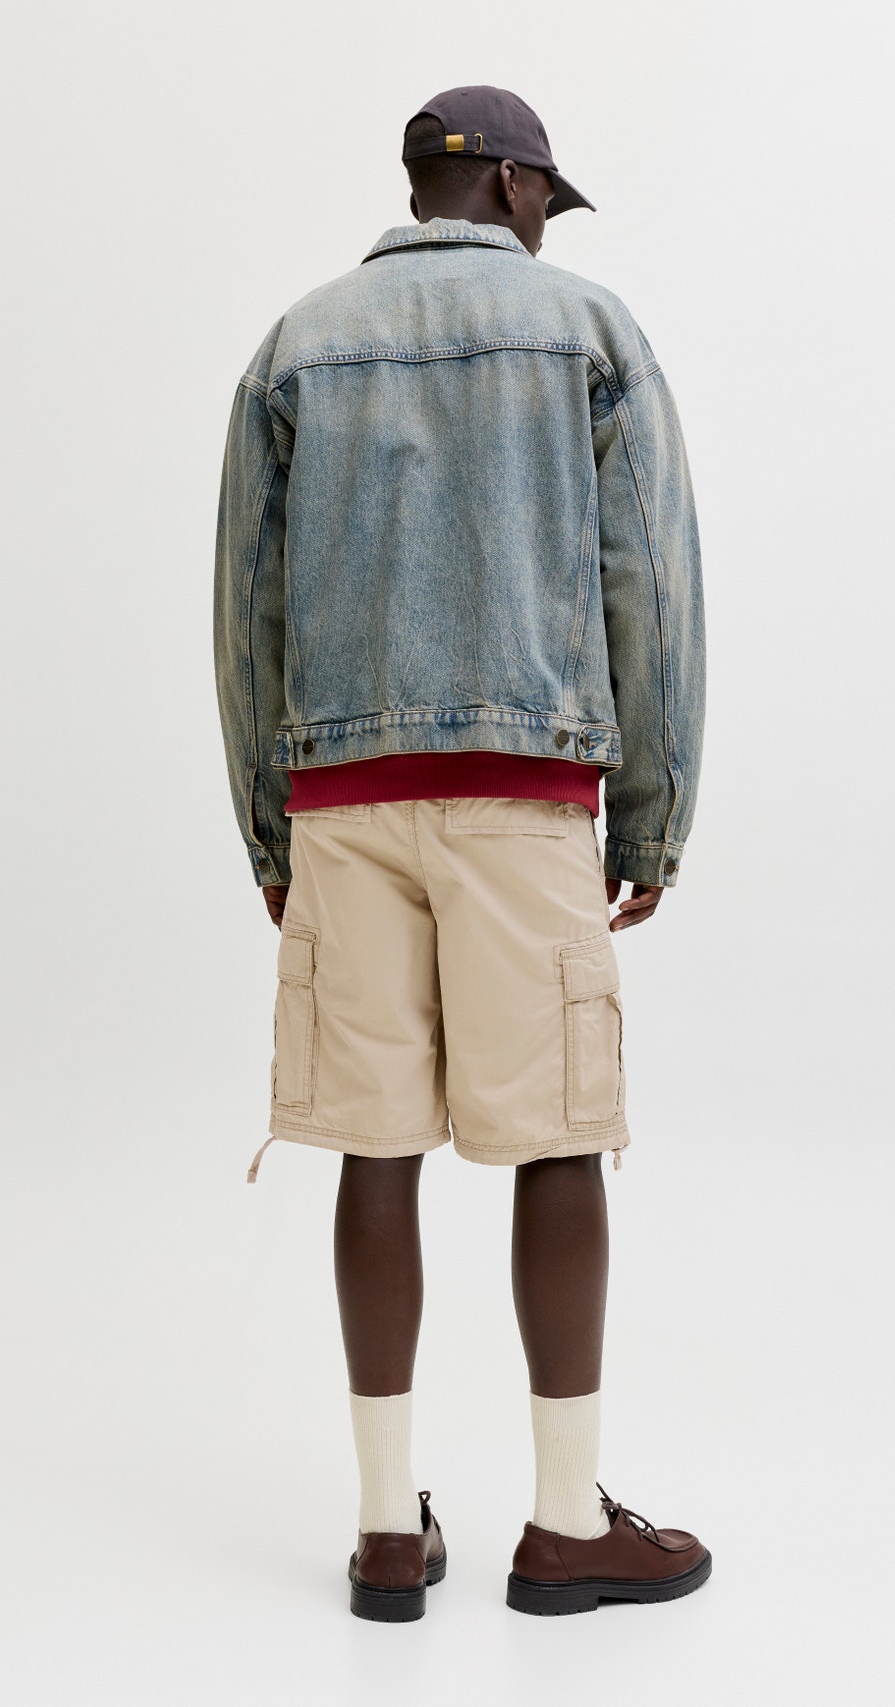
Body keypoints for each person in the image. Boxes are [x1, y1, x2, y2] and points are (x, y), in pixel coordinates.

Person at [213, 84, 709, 1622]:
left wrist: (271, 825)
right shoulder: (590, 332)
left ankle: (384, 1531)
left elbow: (246, 606)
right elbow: (651, 585)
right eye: (545, 192)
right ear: (503, 181)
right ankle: (564, 1526)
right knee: (553, 1139)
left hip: (344, 803)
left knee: (377, 1145)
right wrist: (657, 810)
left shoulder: (296, 343)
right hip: (523, 798)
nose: (548, 218)